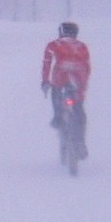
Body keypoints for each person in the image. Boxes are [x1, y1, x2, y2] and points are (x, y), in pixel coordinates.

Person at [41, 22, 91, 156]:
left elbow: (47, 63)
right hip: (77, 81)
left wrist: (45, 81)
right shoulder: (82, 46)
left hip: (60, 79)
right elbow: (86, 67)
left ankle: (58, 116)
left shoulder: (55, 45)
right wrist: (83, 87)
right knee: (79, 111)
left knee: (56, 95)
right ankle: (81, 144)